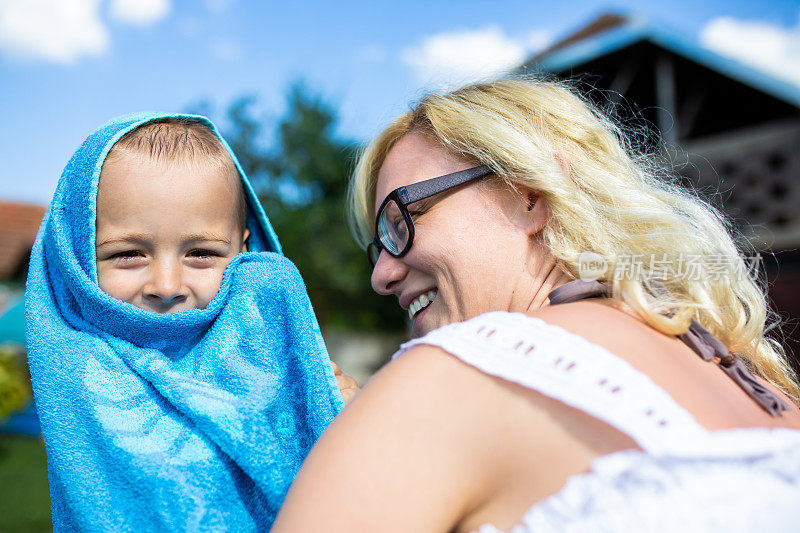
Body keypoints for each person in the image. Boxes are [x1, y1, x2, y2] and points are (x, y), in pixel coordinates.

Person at [272, 78, 800, 532]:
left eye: (399, 221)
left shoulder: (452, 373)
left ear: (528, 194)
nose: (381, 275)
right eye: (377, 247)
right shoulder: (750, 379)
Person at [26, 113, 356, 530]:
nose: (167, 285)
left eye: (201, 253)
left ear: (243, 250)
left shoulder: (271, 356)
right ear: (75, 259)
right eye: (128, 254)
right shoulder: (77, 368)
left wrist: (346, 417)